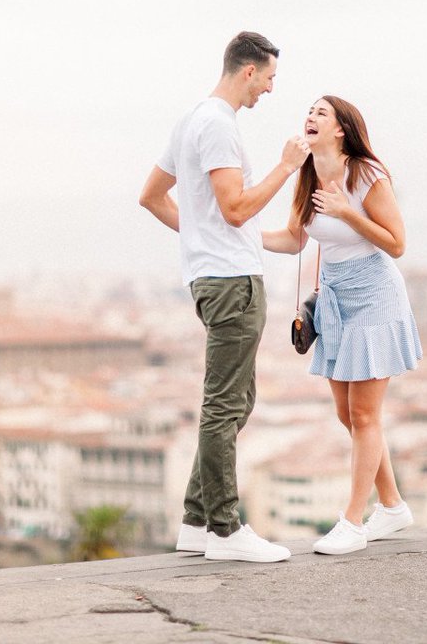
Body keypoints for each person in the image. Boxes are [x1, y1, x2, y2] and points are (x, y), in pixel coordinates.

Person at [139, 31, 310, 563]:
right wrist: (286, 166)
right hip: (232, 281)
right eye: (269, 79)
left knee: (236, 401)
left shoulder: (192, 120)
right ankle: (224, 528)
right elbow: (235, 208)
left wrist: (201, 240)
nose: (270, 90)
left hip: (212, 274)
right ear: (248, 72)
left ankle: (195, 520)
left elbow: (150, 196)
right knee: (223, 405)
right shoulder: (217, 125)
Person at [263, 95, 422, 555]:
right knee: (346, 414)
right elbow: (294, 239)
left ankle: (353, 521)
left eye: (321, 113)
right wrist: (242, 239)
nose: (310, 117)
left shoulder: (367, 175)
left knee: (366, 414)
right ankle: (392, 506)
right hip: (334, 302)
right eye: (308, 112)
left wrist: (347, 211)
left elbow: (397, 244)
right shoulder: (308, 175)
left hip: (374, 295)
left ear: (341, 130)